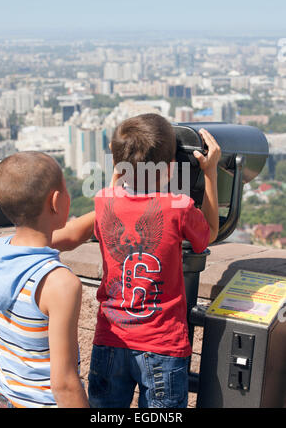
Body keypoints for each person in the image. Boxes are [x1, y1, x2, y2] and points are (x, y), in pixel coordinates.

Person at [88, 113, 221, 408]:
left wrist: (117, 171)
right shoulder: (179, 207)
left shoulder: (102, 201)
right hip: (163, 344)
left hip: (110, 338)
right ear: (171, 168)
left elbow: (112, 197)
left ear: (117, 165)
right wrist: (210, 172)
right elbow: (209, 234)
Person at [0, 151, 92, 408]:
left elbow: (68, 235)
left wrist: (113, 205)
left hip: (8, 399)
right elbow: (64, 384)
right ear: (56, 201)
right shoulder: (59, 284)